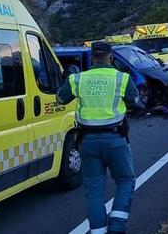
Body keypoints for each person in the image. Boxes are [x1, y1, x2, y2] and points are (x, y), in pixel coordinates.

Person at [57, 41, 143, 234]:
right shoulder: (121, 78)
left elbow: (60, 99)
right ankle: (116, 228)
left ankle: (98, 232)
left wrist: (68, 77)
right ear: (110, 56)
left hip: (87, 142)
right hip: (115, 140)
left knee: (94, 190)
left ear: (92, 56)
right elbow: (137, 102)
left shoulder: (78, 79)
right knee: (126, 180)